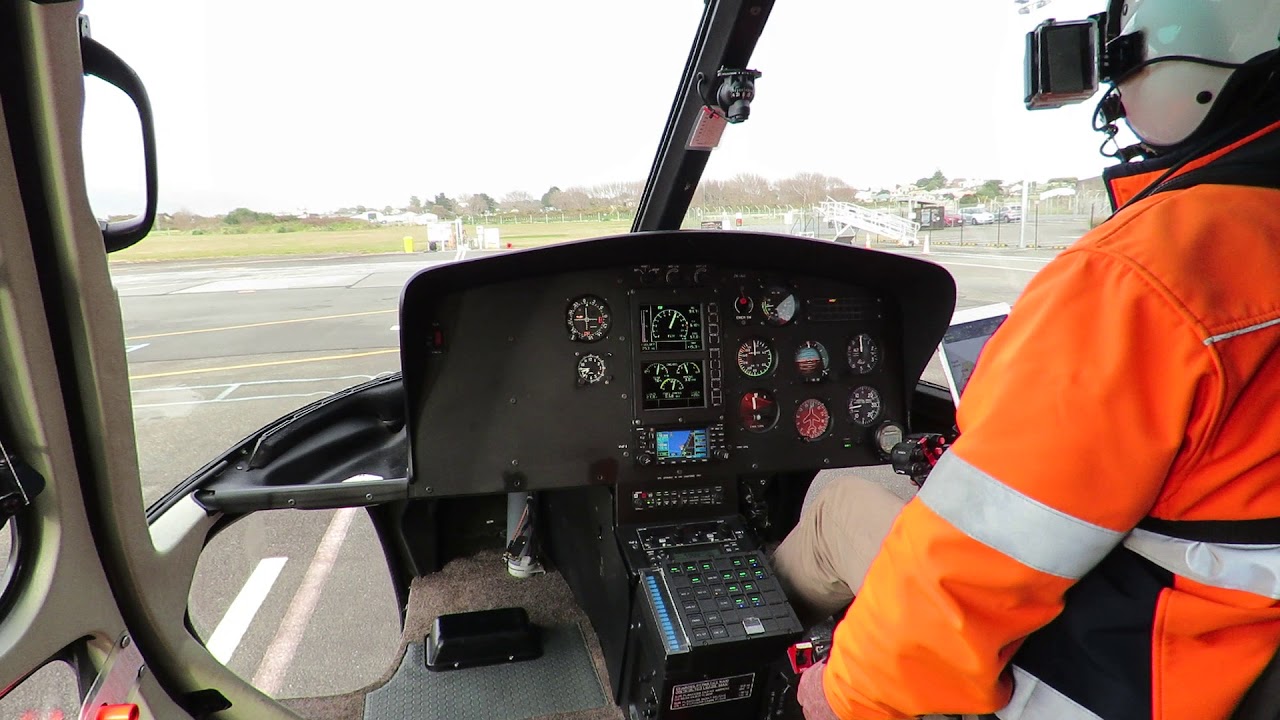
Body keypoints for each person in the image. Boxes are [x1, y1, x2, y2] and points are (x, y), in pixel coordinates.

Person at [773, 2, 1280, 718]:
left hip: (1105, 678)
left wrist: (840, 692)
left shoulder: (1151, 275)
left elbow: (962, 574)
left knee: (833, 510)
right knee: (863, 494)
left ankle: (757, 637)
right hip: (1217, 627)